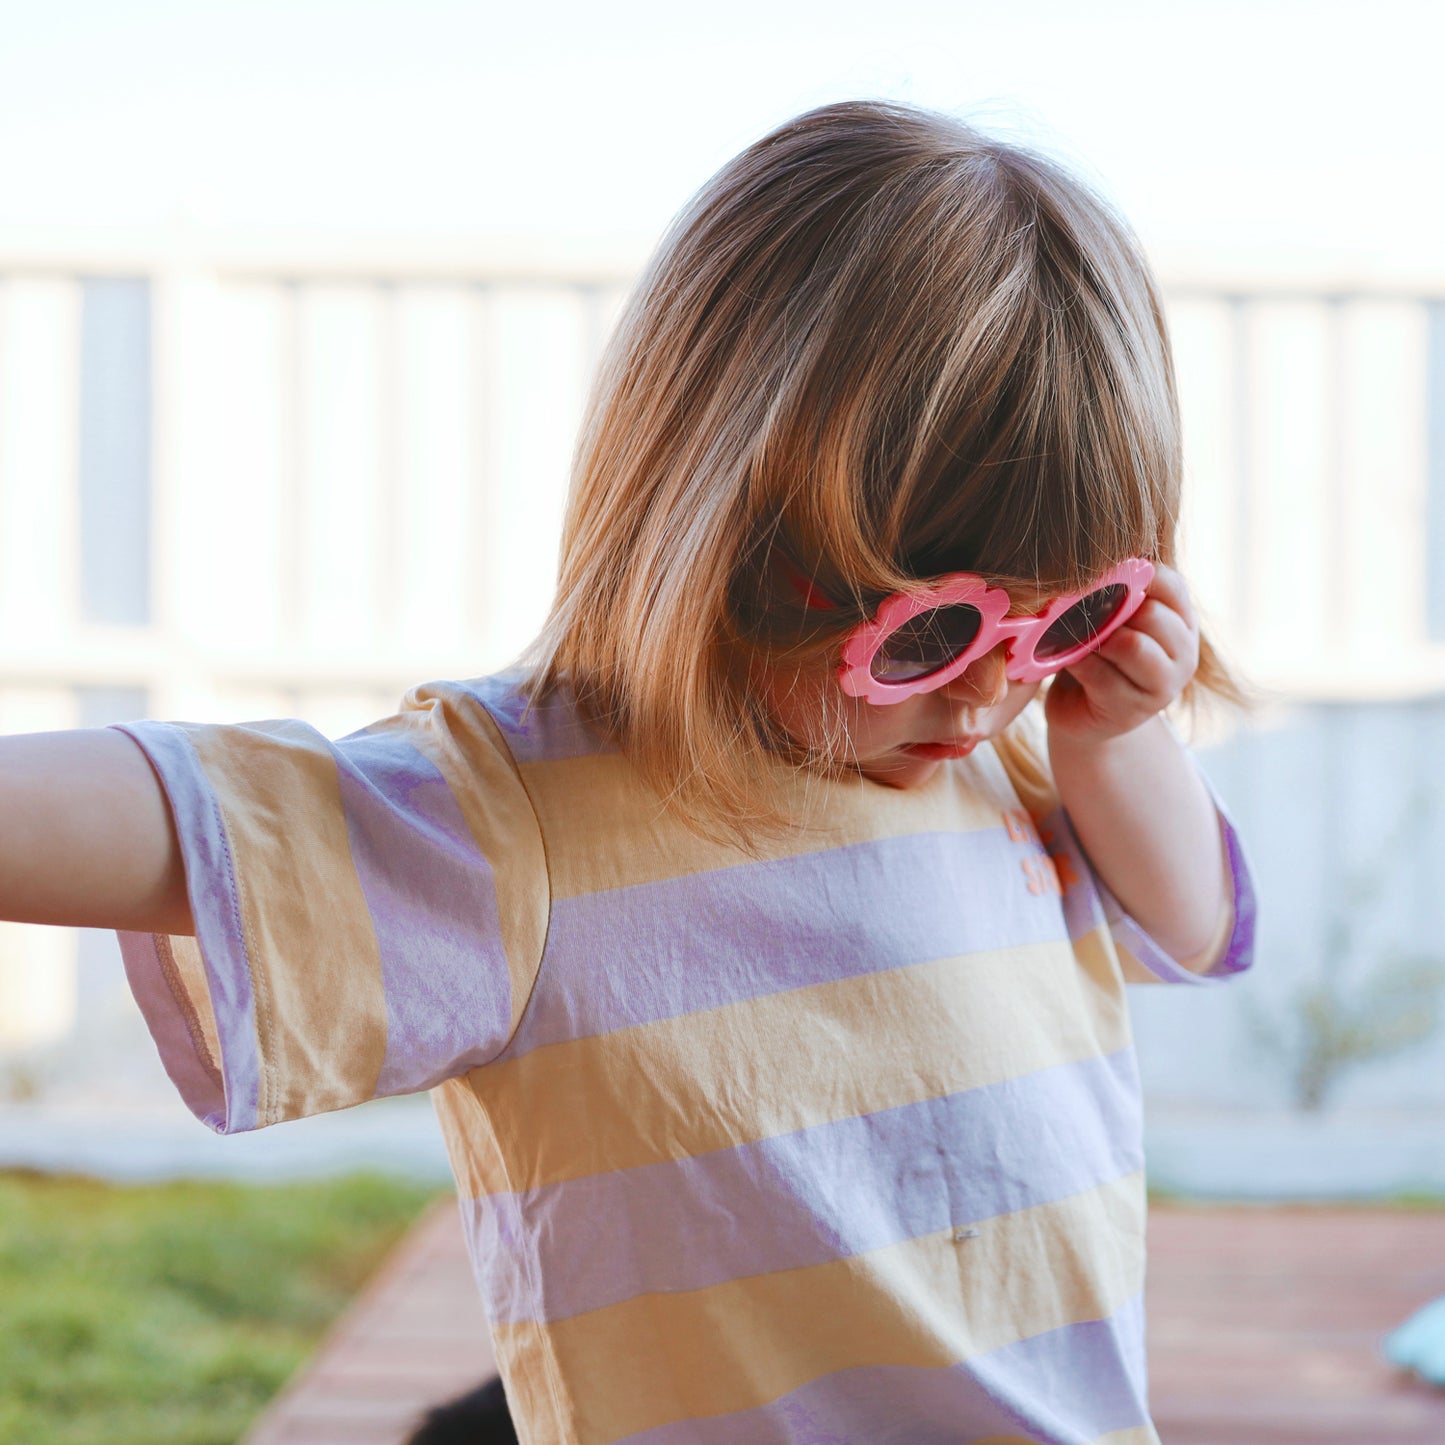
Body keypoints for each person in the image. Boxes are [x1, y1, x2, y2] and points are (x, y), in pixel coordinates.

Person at [1, 100, 1255, 1445]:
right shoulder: (533, 817)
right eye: (932, 626)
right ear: (723, 534)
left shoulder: (1012, 769)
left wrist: (1115, 735)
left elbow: (1188, 926)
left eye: (1062, 618)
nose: (990, 684)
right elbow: (194, 821)